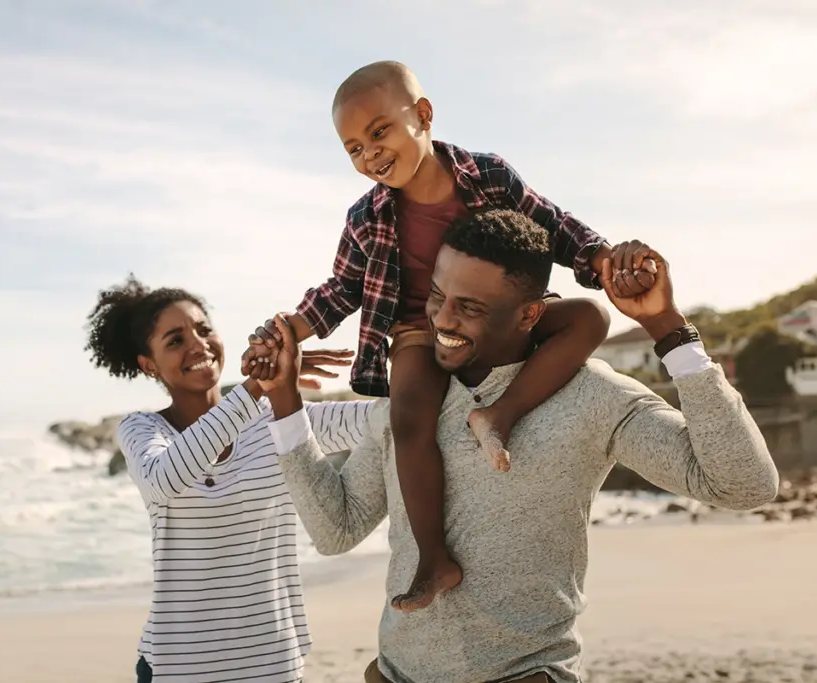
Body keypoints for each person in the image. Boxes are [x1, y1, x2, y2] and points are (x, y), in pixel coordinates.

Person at [259, 209, 779, 683]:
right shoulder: (410, 404)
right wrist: (285, 402)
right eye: (437, 297)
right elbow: (335, 530)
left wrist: (666, 327)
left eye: (470, 308)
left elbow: (744, 484)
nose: (442, 321)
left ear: (530, 314)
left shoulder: (589, 395)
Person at [241, 60, 655, 613]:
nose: (370, 155)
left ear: (423, 115)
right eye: (354, 149)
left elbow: (555, 226)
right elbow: (343, 287)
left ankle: (499, 416)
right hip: (420, 327)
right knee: (408, 414)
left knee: (589, 320)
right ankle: (434, 560)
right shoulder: (366, 217)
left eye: (379, 132)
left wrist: (604, 258)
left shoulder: (488, 176)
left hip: (498, 318)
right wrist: (290, 326)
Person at [83, 275, 371, 683]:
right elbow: (166, 479)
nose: (198, 345)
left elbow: (382, 423)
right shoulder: (142, 430)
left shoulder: (280, 419)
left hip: (274, 665)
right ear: (148, 365)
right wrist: (258, 385)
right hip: (178, 668)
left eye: (203, 330)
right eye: (175, 340)